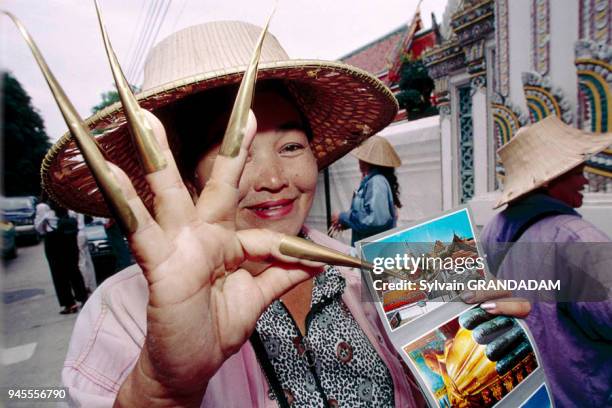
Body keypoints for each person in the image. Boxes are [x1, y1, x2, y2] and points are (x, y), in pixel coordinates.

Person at [41, 21, 530, 407]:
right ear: (184, 176)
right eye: (237, 150)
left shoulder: (379, 269)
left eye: (292, 145)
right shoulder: (125, 312)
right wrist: (163, 390)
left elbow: (455, 382)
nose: (274, 178)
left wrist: (478, 339)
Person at [480, 116, 612, 408]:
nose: (585, 180)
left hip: (526, 394)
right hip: (580, 396)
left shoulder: (492, 230)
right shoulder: (577, 239)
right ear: (551, 178)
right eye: (577, 171)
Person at [331, 135, 402, 245]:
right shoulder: (373, 182)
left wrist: (343, 217)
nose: (359, 161)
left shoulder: (376, 182)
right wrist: (347, 224)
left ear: (368, 161)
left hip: (375, 252)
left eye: (362, 158)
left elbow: (372, 220)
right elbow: (370, 218)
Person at [35, 198, 88, 314]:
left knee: (58, 273)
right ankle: (83, 298)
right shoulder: (68, 201)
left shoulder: (43, 207)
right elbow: (78, 222)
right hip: (70, 238)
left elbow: (39, 228)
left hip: (53, 239)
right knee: (74, 270)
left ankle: (69, 303)